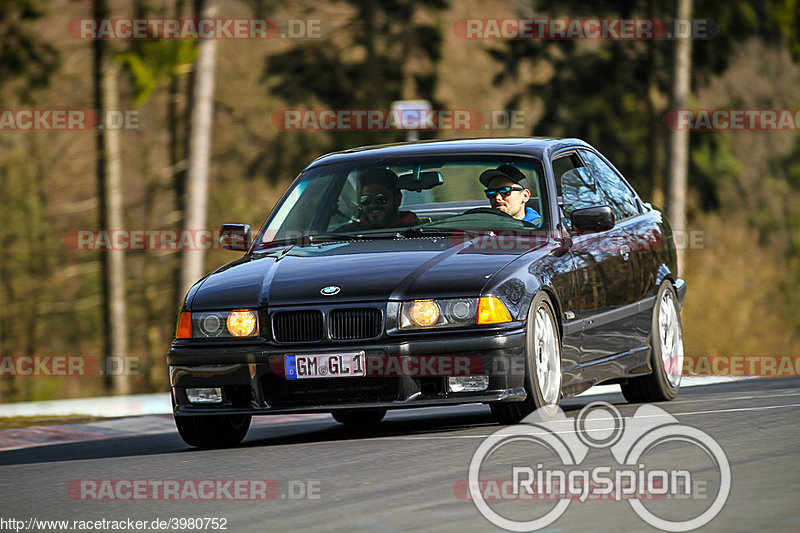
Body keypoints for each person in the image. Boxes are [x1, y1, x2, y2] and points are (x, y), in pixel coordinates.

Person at [337, 168, 418, 231]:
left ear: (398, 199)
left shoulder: (419, 232)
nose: (372, 205)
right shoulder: (344, 235)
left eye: (380, 199)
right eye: (366, 199)